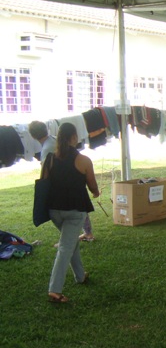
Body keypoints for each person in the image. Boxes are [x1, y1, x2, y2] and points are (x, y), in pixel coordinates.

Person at [43, 122, 100, 303]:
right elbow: (92, 185)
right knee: (65, 247)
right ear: (74, 137)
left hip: (54, 211)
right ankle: (55, 290)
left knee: (70, 241)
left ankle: (80, 276)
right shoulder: (83, 160)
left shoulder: (50, 159)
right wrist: (96, 193)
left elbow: (43, 183)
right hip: (75, 211)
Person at [30, 121, 95, 243]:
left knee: (66, 243)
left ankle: (78, 236)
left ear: (33, 136)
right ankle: (84, 233)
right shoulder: (53, 141)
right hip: (74, 198)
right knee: (70, 235)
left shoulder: (48, 149)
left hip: (64, 200)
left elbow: (46, 176)